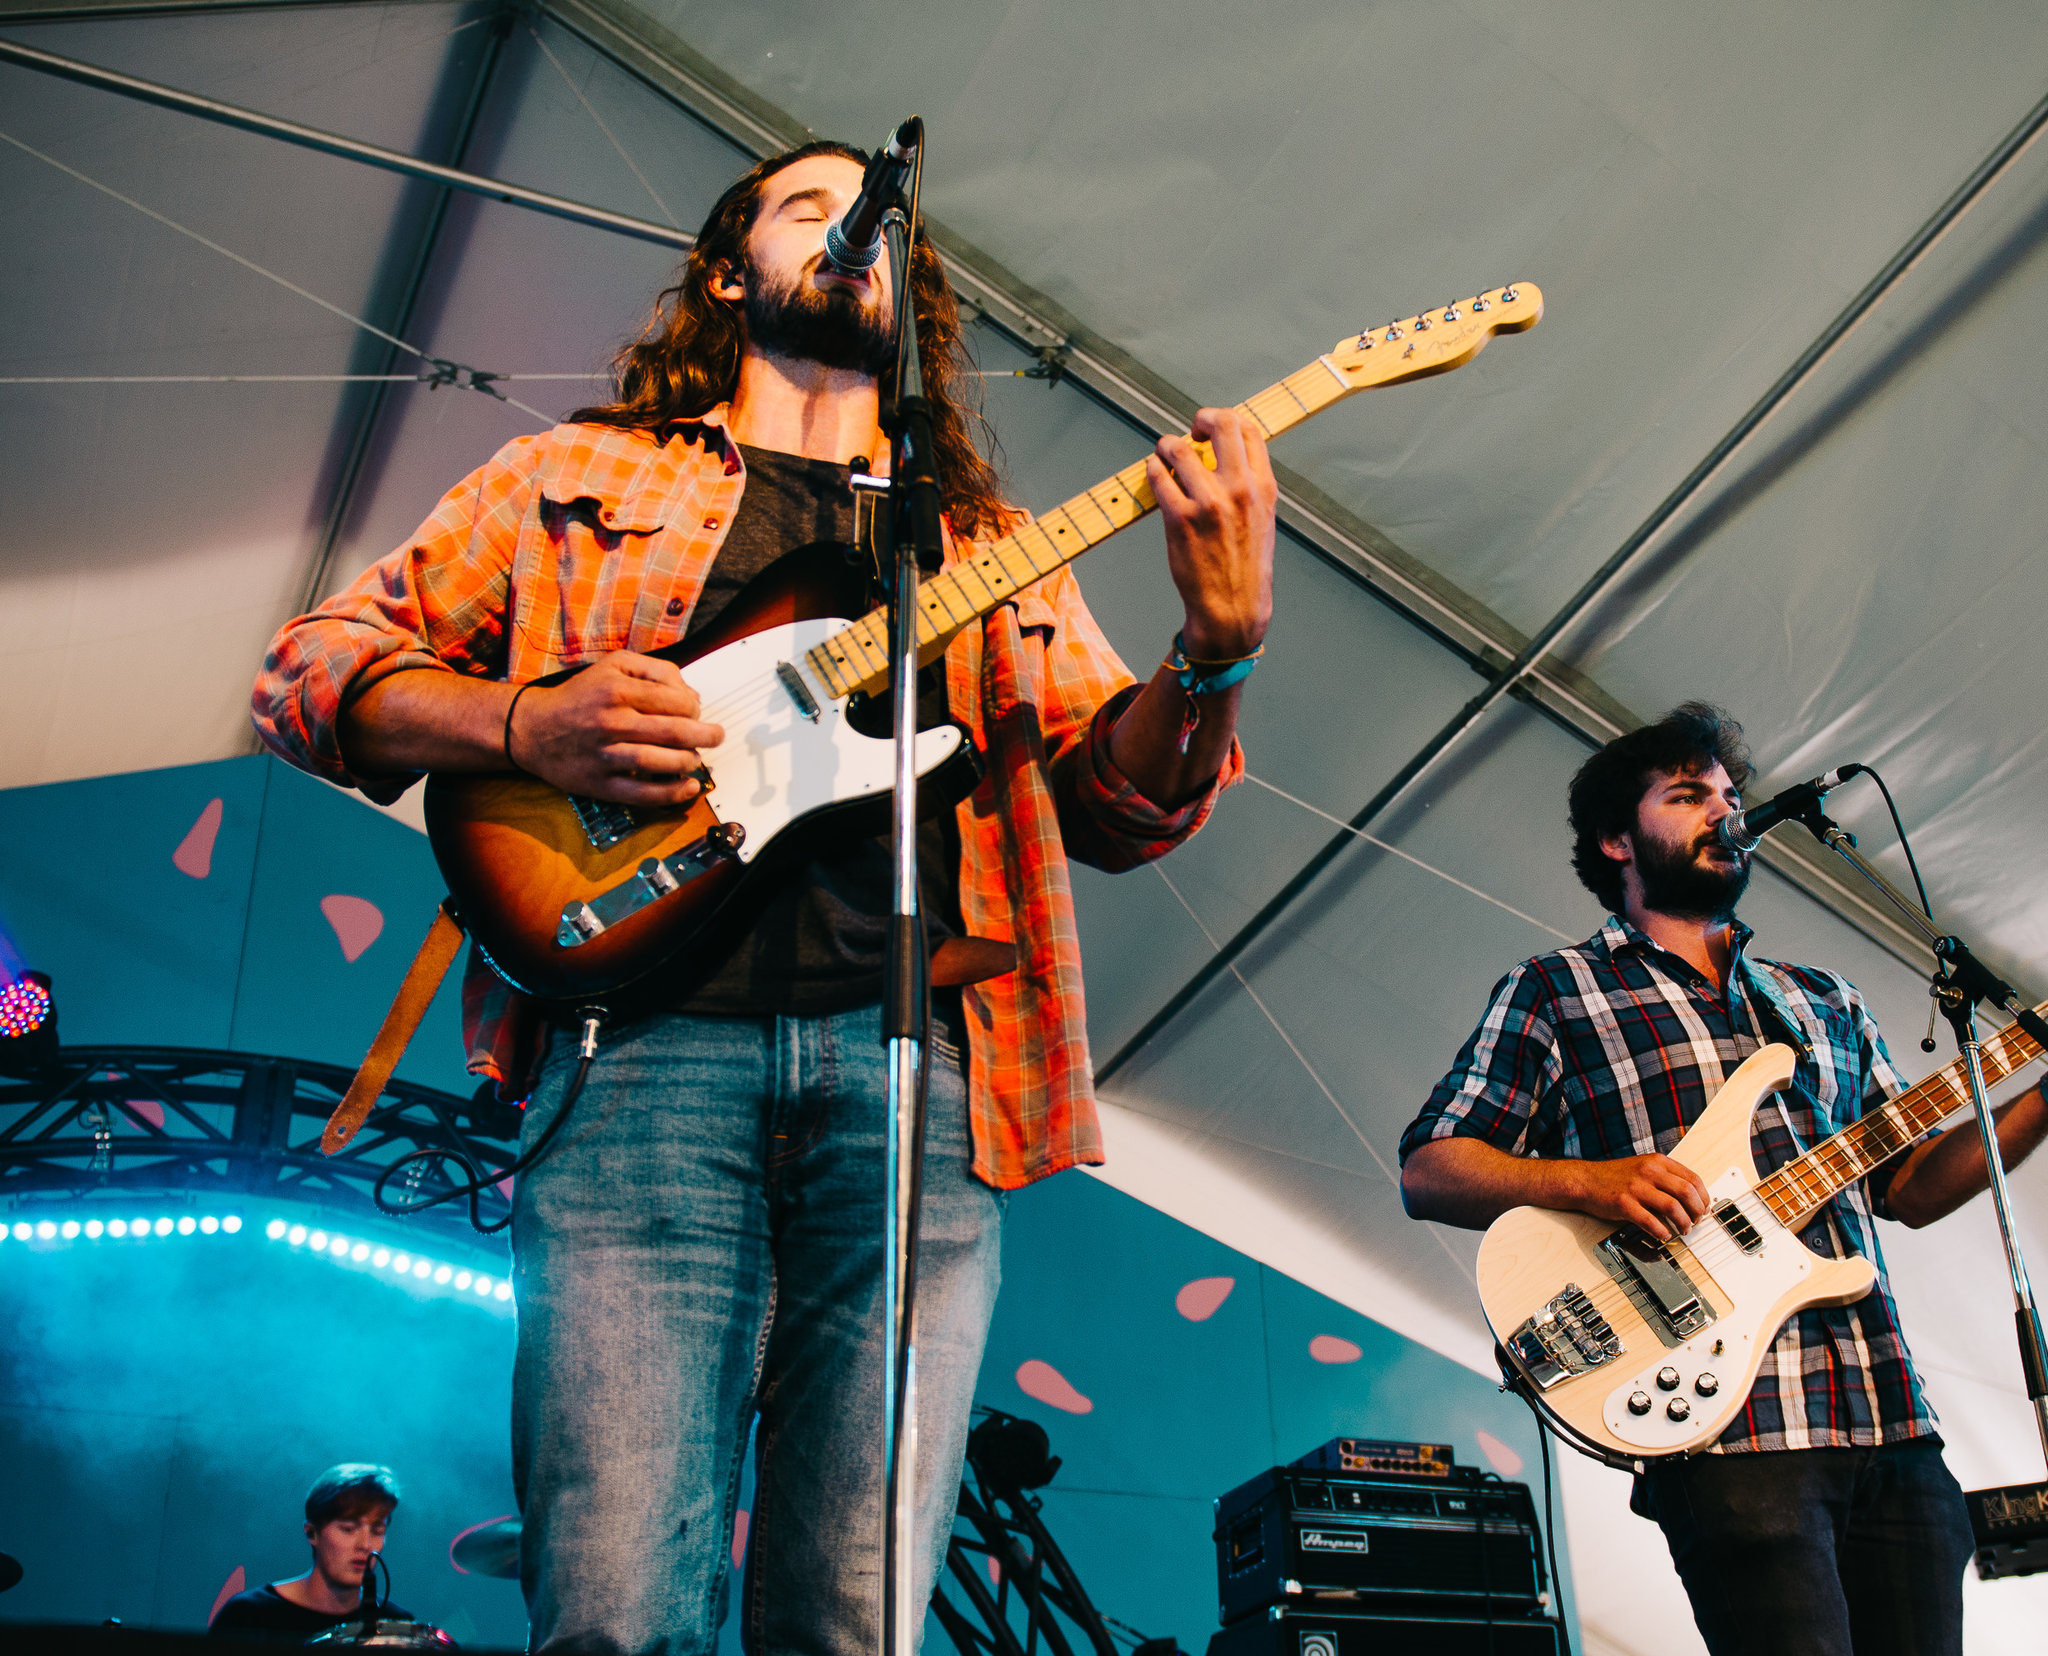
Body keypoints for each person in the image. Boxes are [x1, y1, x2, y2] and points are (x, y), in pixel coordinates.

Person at [251, 140, 1275, 1654]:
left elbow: (1115, 806)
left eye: (879, 219)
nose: (854, 226)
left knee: (855, 1626)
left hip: (917, 1094)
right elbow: (310, 671)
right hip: (638, 1062)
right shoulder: (576, 477)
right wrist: (525, 725)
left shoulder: (983, 549)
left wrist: (1215, 651)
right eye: (812, 204)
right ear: (731, 270)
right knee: (607, 1612)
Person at [1397, 703, 2048, 1656]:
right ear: (1617, 839)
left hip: (1889, 1418)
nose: (1725, 810)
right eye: (1689, 794)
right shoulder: (1558, 989)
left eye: (1733, 794)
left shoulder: (1824, 999)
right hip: (1729, 1430)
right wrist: (1592, 1182)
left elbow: (1910, 1187)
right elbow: (1431, 1167)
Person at [208, 1464, 412, 1641]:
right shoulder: (248, 1616)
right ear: (312, 1533)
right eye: (348, 1529)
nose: (365, 1545)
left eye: (377, 1530)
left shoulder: (398, 1626)